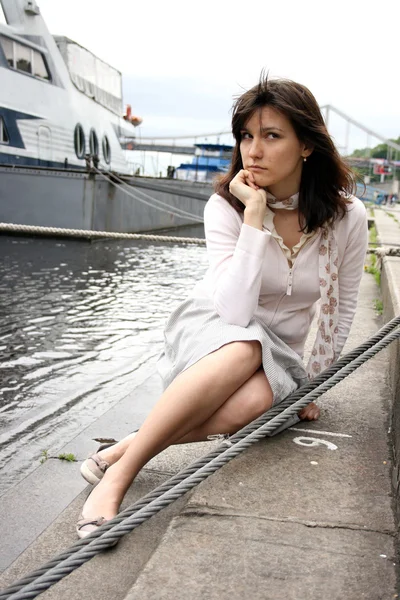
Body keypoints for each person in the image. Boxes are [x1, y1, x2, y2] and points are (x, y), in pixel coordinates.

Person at [76, 76, 368, 538]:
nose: (253, 150)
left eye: (272, 136)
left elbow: (343, 306)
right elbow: (234, 313)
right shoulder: (226, 208)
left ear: (306, 145)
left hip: (281, 353)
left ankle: (128, 445)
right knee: (244, 347)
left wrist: (315, 384)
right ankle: (120, 476)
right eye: (246, 136)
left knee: (256, 403)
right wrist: (254, 217)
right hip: (215, 328)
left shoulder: (348, 217)